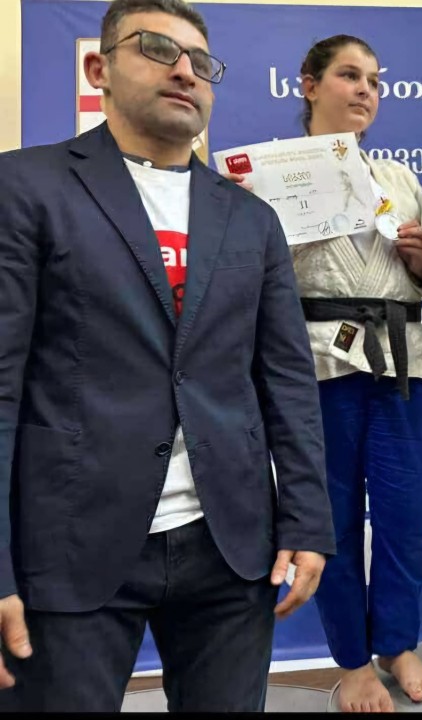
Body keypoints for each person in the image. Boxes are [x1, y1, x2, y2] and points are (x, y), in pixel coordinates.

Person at [0, 0, 334, 711]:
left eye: (200, 62)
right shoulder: (25, 187)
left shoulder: (251, 218)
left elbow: (287, 384)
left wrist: (307, 520)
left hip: (231, 548)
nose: (185, 71)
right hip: (70, 542)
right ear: (100, 68)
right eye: (156, 49)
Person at [226, 34, 422, 713]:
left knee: (407, 514)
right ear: (309, 85)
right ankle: (351, 662)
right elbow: (247, 279)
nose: (365, 90)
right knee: (334, 519)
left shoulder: (399, 179)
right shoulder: (267, 174)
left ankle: (398, 643)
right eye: (349, 75)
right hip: (317, 361)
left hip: (405, 358)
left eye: (374, 79)